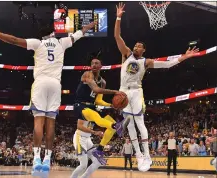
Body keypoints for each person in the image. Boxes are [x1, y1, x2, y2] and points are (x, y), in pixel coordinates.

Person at [0, 20, 96, 175]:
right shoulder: (62, 42)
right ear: (52, 33)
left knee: (38, 122)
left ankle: (36, 159)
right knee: (51, 123)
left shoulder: (37, 43)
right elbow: (81, 33)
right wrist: (90, 25)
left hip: (40, 83)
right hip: (55, 84)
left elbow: (13, 40)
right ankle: (47, 158)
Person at [114, 2, 200, 172]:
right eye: (136, 45)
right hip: (123, 92)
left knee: (139, 122)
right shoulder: (126, 54)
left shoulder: (147, 62)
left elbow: (168, 65)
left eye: (140, 46)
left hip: (136, 92)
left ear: (144, 50)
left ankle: (146, 154)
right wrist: (118, 17)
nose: (136, 47)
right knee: (129, 124)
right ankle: (138, 155)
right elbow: (117, 37)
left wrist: (185, 56)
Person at [74, 57, 127, 165]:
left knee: (110, 122)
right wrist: (115, 91)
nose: (93, 65)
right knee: (96, 117)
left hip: (93, 105)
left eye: (96, 63)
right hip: (80, 104)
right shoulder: (87, 74)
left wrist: (111, 105)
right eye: (92, 63)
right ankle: (116, 126)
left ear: (101, 66)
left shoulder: (102, 82)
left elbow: (98, 100)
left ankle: (99, 150)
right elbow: (96, 89)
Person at [70, 109, 103, 178]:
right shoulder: (84, 112)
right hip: (79, 138)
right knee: (83, 165)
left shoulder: (96, 115)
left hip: (88, 139)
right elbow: (79, 126)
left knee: (98, 162)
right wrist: (94, 132)